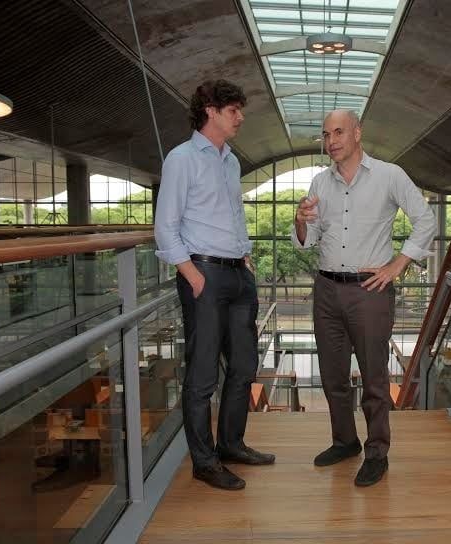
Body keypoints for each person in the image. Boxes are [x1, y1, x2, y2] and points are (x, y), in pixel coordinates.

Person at [292, 109, 436, 486]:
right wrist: (300, 221)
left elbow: (426, 220)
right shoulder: (319, 182)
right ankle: (345, 442)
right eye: (326, 135)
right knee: (332, 376)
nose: (331, 141)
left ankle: (377, 453)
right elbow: (310, 240)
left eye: (339, 132)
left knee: (373, 378)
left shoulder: (390, 175)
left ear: (358, 133)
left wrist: (398, 264)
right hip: (326, 288)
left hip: (369, 291)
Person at [155, 79, 274, 491]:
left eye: (240, 109)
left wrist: (244, 258)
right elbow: (165, 227)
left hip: (238, 275)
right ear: (209, 109)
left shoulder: (231, 161)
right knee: (203, 376)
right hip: (203, 274)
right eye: (233, 110)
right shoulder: (181, 159)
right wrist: (193, 275)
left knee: (243, 367)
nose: (241, 117)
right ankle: (204, 463)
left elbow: (231, 215)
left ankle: (232, 444)